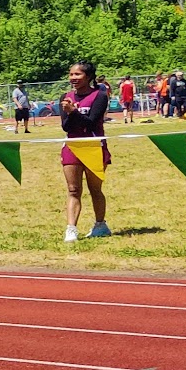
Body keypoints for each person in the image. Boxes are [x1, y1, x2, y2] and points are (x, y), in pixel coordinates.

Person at [57, 63, 111, 243]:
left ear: (88, 76)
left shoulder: (100, 96)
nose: (73, 78)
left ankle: (100, 225)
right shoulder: (65, 97)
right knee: (73, 189)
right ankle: (71, 229)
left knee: (95, 189)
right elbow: (66, 126)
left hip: (94, 145)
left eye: (78, 74)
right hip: (72, 146)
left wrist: (74, 112)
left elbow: (92, 122)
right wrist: (70, 113)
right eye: (71, 74)